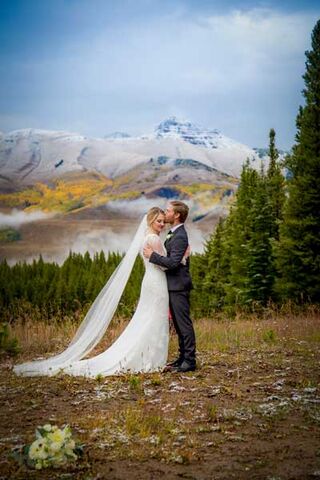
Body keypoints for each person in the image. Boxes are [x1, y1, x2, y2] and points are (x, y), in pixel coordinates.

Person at [13, 207, 187, 378]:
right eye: (159, 221)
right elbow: (165, 264)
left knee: (147, 318)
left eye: (163, 221)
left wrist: (176, 258)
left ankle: (146, 356)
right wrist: (182, 259)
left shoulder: (146, 237)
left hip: (151, 281)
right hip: (156, 282)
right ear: (150, 220)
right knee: (153, 319)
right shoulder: (153, 239)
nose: (162, 224)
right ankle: (149, 359)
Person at [143, 201, 196, 373]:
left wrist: (152, 256)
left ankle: (189, 360)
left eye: (168, 210)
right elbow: (175, 258)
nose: (165, 213)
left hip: (178, 286)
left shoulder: (180, 235)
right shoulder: (173, 233)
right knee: (179, 326)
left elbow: (172, 263)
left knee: (184, 324)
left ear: (177, 215)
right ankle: (182, 358)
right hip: (172, 285)